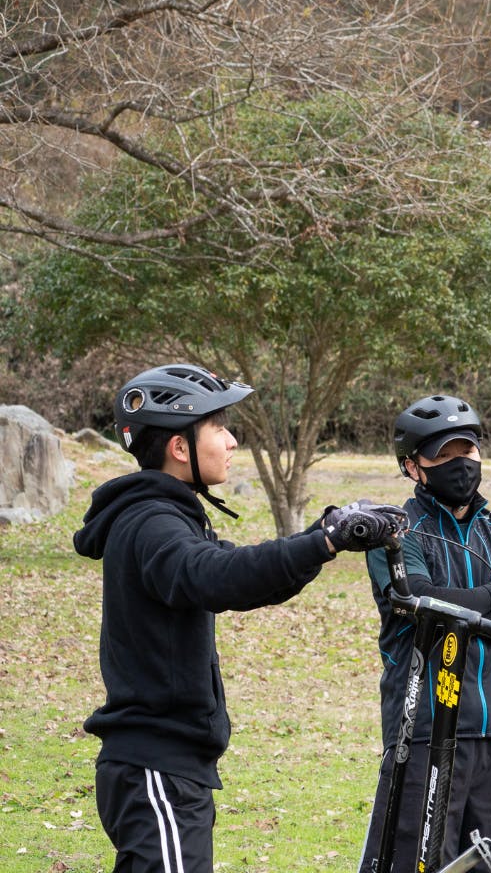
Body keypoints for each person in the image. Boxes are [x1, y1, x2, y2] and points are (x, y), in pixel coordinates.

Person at [76, 363, 404, 873]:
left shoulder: (165, 516)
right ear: (180, 447)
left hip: (168, 764)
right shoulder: (152, 525)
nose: (231, 442)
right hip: (154, 764)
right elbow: (217, 575)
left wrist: (324, 538)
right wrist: (325, 540)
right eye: (219, 428)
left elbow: (247, 577)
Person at [357, 394, 491, 873]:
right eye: (444, 455)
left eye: (468, 451)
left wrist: (468, 605)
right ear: (412, 467)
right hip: (420, 731)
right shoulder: (396, 534)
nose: (460, 464)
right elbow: (421, 602)